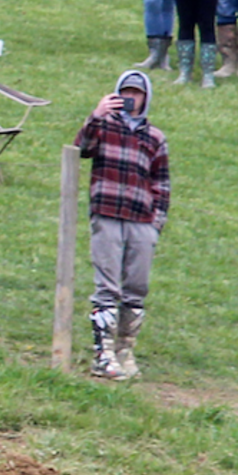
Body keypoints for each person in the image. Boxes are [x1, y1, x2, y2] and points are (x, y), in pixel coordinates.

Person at [73, 70, 169, 381]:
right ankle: (103, 355)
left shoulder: (155, 137)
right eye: (126, 92)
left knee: (137, 287)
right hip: (107, 212)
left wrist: (157, 223)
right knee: (107, 286)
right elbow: (81, 149)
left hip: (141, 219)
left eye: (137, 93)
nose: (132, 98)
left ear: (146, 98)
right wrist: (95, 115)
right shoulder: (103, 126)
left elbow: (161, 182)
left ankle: (125, 349)